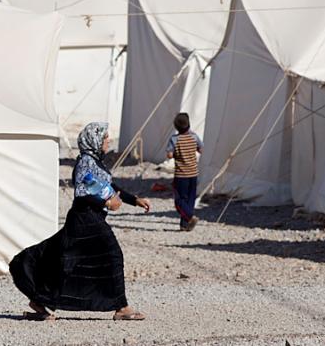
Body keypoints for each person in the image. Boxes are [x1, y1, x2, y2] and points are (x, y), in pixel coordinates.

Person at [10, 122, 151, 321]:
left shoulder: (95, 161)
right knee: (112, 256)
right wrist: (107, 202)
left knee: (65, 260)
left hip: (91, 218)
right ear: (93, 141)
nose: (108, 140)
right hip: (85, 219)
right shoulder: (85, 162)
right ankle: (122, 307)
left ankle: (40, 301)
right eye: (105, 138)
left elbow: (109, 185)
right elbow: (83, 194)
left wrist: (134, 200)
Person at [165, 112, 203, 231]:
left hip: (181, 174)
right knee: (190, 199)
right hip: (193, 173)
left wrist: (176, 154)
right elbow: (201, 149)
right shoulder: (194, 137)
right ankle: (184, 225)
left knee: (179, 200)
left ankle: (190, 217)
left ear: (176, 127)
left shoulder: (174, 139)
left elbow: (169, 155)